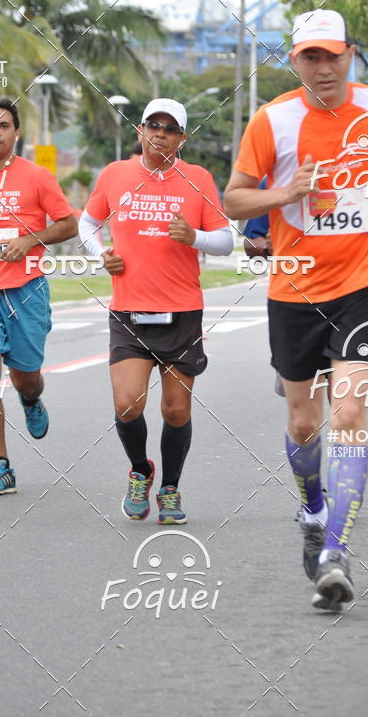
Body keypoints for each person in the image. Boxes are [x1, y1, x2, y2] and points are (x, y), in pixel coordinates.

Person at [223, 9, 368, 610]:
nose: (323, 67)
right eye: (311, 56)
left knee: (350, 411)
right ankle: (312, 507)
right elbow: (233, 200)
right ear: (294, 61)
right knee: (304, 422)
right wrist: (286, 193)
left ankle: (336, 552)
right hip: (296, 290)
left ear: (350, 54)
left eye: (333, 55)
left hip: (365, 281)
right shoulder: (272, 120)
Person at [79, 98, 233, 525]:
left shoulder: (198, 179)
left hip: (182, 311)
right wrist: (100, 254)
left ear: (182, 139)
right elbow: (87, 223)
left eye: (169, 129)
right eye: (153, 126)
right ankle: (140, 470)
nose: (160, 135)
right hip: (129, 310)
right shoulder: (115, 174)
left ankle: (170, 488)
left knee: (175, 410)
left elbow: (225, 241)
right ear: (140, 131)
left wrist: (195, 237)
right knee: (127, 404)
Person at [0, 98, 77, 495]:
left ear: (16, 133)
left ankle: (31, 399)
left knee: (26, 378)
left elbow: (69, 224)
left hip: (26, 291)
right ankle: (1, 466)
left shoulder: (37, 176)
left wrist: (30, 240)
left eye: (3, 126)